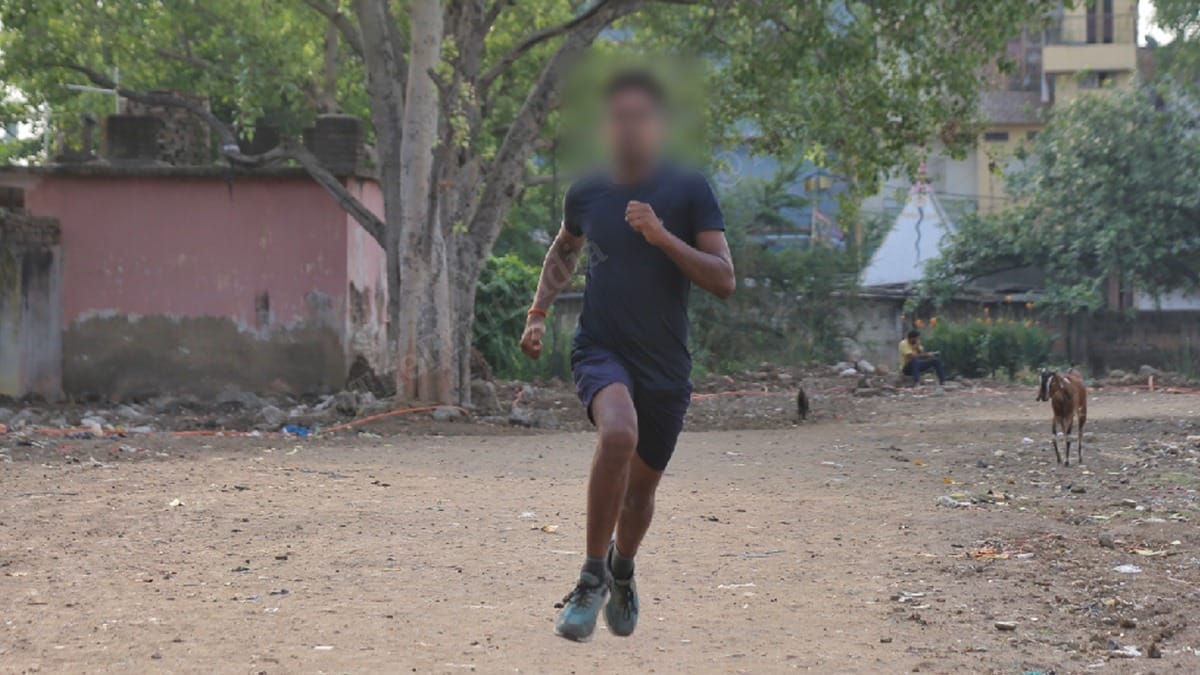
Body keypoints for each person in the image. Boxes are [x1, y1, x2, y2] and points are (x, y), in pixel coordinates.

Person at [519, 69, 734, 641]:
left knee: (640, 494)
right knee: (617, 436)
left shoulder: (690, 188)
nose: (628, 127)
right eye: (619, 117)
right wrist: (539, 313)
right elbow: (564, 250)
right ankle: (590, 579)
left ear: (659, 126)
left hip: (665, 364)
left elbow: (724, 280)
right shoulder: (587, 190)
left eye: (640, 116)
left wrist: (662, 236)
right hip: (601, 348)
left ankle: (622, 568)